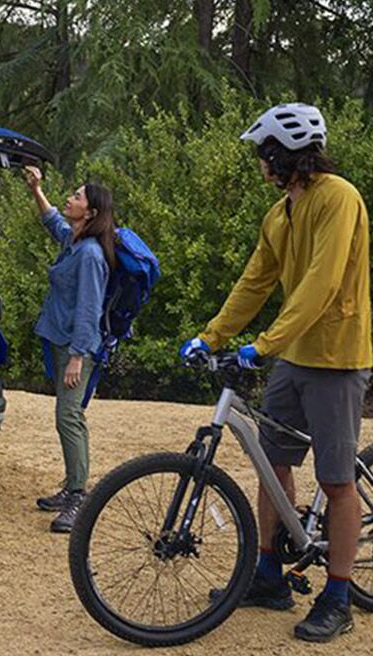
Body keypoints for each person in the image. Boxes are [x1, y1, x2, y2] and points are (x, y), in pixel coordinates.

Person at [180, 102, 371, 643]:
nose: (258, 163)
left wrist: (261, 346)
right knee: (272, 465)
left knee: (336, 481)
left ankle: (338, 596)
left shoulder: (340, 198)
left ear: (281, 153)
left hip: (336, 358)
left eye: (262, 153)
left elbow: (322, 283)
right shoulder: (280, 213)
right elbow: (254, 283)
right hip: (292, 357)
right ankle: (268, 574)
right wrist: (212, 335)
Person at [23, 166, 116, 533]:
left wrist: (78, 356)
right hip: (62, 342)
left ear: (90, 212)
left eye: (77, 197)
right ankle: (71, 487)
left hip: (76, 348)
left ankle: (79, 496)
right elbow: (53, 224)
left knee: (69, 416)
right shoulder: (73, 240)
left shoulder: (91, 255)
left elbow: (89, 309)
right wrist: (36, 189)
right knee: (67, 416)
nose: (70, 199)